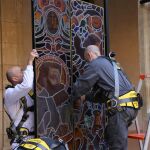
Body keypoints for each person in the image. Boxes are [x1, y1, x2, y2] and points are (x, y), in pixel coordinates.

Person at [72, 45, 141, 150]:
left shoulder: (96, 64)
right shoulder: (112, 64)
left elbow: (82, 85)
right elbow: (106, 94)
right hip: (131, 107)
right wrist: (86, 97)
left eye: (87, 60)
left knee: (117, 146)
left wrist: (71, 97)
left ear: (90, 55)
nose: (88, 64)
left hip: (121, 109)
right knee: (111, 137)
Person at [4, 49, 39, 149]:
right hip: (21, 143)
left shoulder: (26, 92)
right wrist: (29, 62)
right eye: (21, 72)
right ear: (15, 79)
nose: (24, 72)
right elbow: (27, 85)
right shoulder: (9, 93)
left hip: (36, 140)